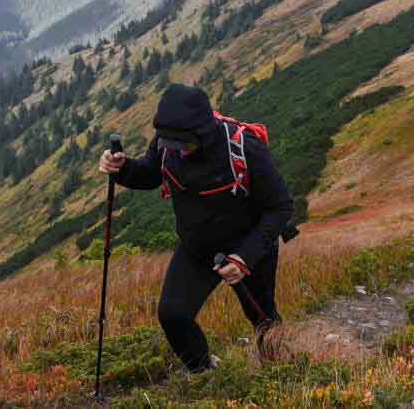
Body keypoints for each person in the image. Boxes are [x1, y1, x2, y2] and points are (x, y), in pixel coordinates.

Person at [98, 84, 294, 372]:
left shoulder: (244, 147)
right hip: (196, 248)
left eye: (184, 145)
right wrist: (123, 168)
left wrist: (244, 258)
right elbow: (151, 174)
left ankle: (281, 374)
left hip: (248, 247)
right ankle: (203, 374)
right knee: (172, 314)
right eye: (170, 144)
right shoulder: (168, 140)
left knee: (262, 318)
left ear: (202, 133)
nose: (178, 152)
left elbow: (280, 207)